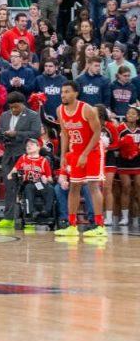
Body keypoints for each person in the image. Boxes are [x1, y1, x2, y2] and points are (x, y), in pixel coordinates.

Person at [55, 81, 107, 238]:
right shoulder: (60, 110)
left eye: (67, 91)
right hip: (75, 152)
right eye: (62, 92)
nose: (63, 94)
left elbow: (97, 133)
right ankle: (72, 225)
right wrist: (64, 155)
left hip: (93, 151)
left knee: (93, 186)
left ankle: (99, 225)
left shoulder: (87, 109)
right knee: (74, 187)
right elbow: (64, 133)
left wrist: (85, 154)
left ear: (76, 93)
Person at [0, 92, 43, 227]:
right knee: (9, 187)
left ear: (23, 104)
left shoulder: (33, 115)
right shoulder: (4, 115)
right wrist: (2, 136)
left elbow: (36, 133)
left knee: (27, 187)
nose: (13, 110)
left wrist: (16, 134)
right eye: (11, 107)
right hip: (8, 155)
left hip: (26, 156)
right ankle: (8, 218)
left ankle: (29, 218)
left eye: (16, 107)